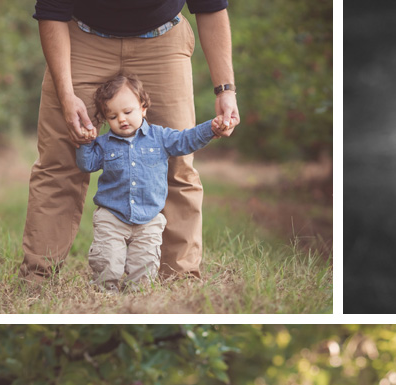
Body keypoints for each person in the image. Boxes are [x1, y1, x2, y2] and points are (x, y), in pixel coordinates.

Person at [21, 0, 239, 283]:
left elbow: (210, 6)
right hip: (81, 41)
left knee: (177, 165)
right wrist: (66, 95)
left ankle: (180, 278)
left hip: (162, 42)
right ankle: (37, 278)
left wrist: (226, 89)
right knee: (58, 163)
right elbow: (51, 10)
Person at [75, 75, 230, 290]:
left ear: (143, 108)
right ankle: (104, 293)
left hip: (149, 219)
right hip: (112, 215)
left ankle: (136, 298)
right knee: (107, 262)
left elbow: (186, 140)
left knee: (144, 268)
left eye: (128, 112)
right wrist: (85, 143)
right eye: (112, 116)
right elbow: (87, 165)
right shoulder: (103, 144)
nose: (121, 119)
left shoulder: (160, 137)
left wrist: (210, 129)